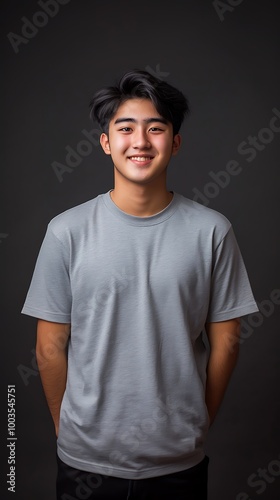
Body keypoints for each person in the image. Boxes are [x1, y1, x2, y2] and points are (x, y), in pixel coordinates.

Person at [21, 69, 259, 500]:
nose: (141, 141)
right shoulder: (66, 231)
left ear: (176, 142)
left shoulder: (212, 231)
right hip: (83, 463)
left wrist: (194, 424)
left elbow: (228, 342)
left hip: (179, 463)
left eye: (156, 128)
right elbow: (48, 345)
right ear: (106, 142)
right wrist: (67, 430)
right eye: (126, 128)